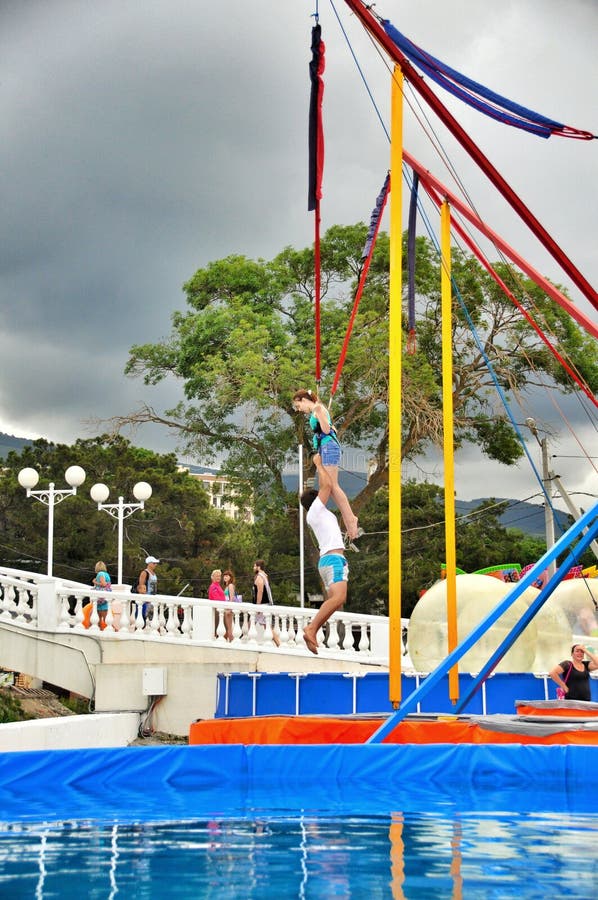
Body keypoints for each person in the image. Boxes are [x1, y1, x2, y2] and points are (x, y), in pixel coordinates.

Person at [292, 389, 360, 541]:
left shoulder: (318, 409)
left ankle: (350, 519)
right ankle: (349, 518)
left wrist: (320, 414)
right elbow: (330, 429)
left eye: (298, 405)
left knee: (332, 485)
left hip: (328, 447)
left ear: (303, 399)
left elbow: (326, 430)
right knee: (329, 486)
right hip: (325, 447)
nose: (299, 409)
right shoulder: (317, 410)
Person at [300, 453, 349, 655]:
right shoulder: (316, 511)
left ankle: (313, 629)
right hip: (333, 560)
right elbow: (327, 486)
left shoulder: (317, 514)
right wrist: (319, 465)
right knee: (338, 599)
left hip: (330, 560)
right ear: (316, 500)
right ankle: (311, 628)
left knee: (335, 602)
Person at [253, 559, 280, 647]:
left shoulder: (259, 577)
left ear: (258, 567)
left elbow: (260, 591)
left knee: (264, 625)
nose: (253, 568)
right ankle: (278, 644)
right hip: (265, 603)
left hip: (262, 604)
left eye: (254, 566)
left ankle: (279, 644)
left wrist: (257, 606)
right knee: (264, 625)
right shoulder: (264, 576)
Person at [209, 569, 232, 641]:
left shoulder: (218, 585)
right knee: (218, 628)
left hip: (221, 609)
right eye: (216, 576)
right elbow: (216, 599)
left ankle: (224, 641)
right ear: (212, 577)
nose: (218, 577)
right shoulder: (213, 586)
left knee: (224, 627)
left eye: (219, 576)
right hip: (217, 610)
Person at [93, 560, 112, 629]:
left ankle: (99, 629)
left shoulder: (100, 574)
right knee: (105, 617)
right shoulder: (106, 574)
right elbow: (107, 584)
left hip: (101, 597)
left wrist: (95, 582)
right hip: (106, 597)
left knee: (98, 617)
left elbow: (103, 584)